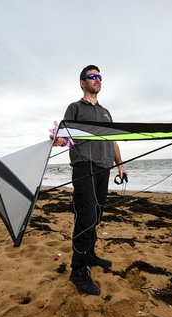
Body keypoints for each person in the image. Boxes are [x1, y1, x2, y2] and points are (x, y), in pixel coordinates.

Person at [54, 65, 126, 295]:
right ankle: (78, 270)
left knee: (97, 215)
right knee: (86, 216)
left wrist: (120, 165)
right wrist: (58, 140)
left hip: (105, 166)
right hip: (84, 166)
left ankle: (90, 254)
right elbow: (65, 136)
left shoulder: (106, 112)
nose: (97, 80)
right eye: (92, 76)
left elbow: (113, 140)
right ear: (82, 83)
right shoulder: (75, 108)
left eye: (99, 77)